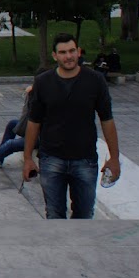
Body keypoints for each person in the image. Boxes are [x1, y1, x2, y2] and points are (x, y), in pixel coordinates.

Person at [22, 33, 121, 220]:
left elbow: (107, 120)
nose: (68, 56)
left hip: (85, 160)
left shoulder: (95, 81)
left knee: (84, 215)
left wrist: (114, 158)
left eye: (72, 51)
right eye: (63, 52)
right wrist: (28, 158)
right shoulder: (43, 82)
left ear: (78, 52)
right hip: (51, 159)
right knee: (54, 214)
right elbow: (34, 122)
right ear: (54, 56)